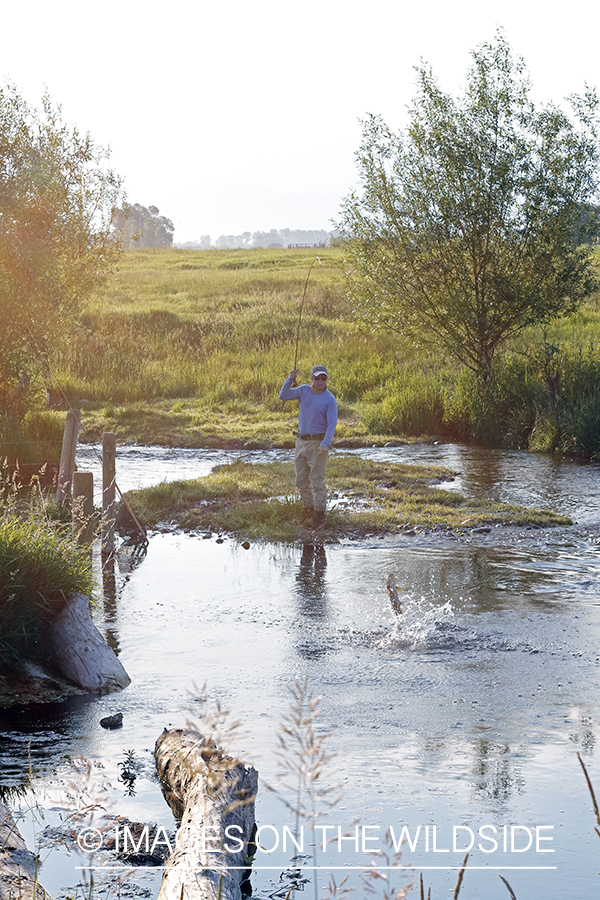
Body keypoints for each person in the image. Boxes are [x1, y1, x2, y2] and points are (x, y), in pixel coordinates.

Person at [279, 364, 338, 528]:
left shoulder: (330, 399)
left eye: (323, 378)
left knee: (316, 480)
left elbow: (332, 424)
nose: (320, 381)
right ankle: (308, 511)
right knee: (301, 479)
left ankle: (319, 516)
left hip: (318, 444)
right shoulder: (303, 391)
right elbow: (283, 396)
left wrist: (325, 443)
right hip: (301, 442)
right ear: (311, 378)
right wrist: (290, 379)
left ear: (326, 379)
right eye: (317, 378)